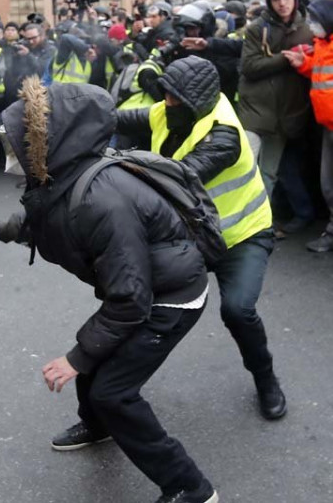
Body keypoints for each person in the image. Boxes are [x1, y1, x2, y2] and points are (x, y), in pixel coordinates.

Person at [0, 77, 218, 503]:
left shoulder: (101, 200)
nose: (12, 151)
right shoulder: (68, 173)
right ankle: (100, 426)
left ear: (51, 141)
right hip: (142, 289)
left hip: (171, 298)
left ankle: (190, 487)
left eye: (19, 142)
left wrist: (76, 358)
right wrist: (2, 230)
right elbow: (44, 214)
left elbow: (131, 298)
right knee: (97, 358)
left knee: (113, 390)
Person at [117, 56, 287, 421]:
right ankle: (111, 398)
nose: (166, 102)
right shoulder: (171, 111)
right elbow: (120, 117)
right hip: (193, 235)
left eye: (173, 97)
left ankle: (265, 378)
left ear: (194, 100)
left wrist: (117, 164)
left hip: (242, 235)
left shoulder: (223, 134)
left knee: (238, 310)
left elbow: (177, 178)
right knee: (135, 304)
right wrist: (74, 114)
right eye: (165, 95)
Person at [238, 0, 314, 235]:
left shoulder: (308, 28)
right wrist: (285, 57)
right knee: (254, 169)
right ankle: (255, 223)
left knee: (274, 171)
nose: (282, 3)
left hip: (292, 112)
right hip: (259, 111)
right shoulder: (257, 28)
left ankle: (262, 223)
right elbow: (249, 66)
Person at [285, 0, 333, 252]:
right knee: (328, 185)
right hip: (328, 128)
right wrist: (302, 63)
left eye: (315, 20)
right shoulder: (324, 45)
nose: (311, 25)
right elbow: (320, 73)